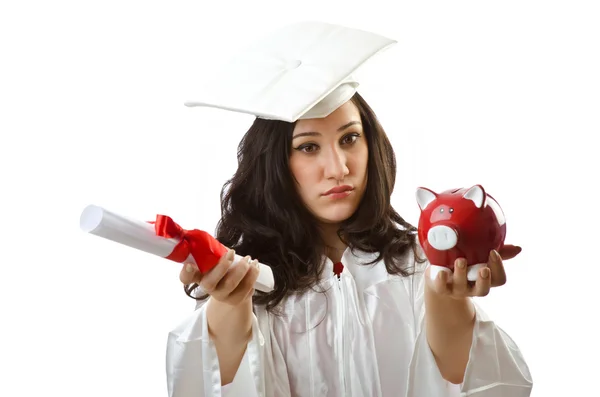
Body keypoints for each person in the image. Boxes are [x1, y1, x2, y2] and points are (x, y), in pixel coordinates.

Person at [166, 21, 533, 397]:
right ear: (275, 164)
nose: (339, 167)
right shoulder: (245, 278)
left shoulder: (418, 264)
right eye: (309, 147)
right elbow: (205, 388)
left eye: (350, 138)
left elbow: (485, 388)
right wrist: (229, 304)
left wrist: (447, 302)